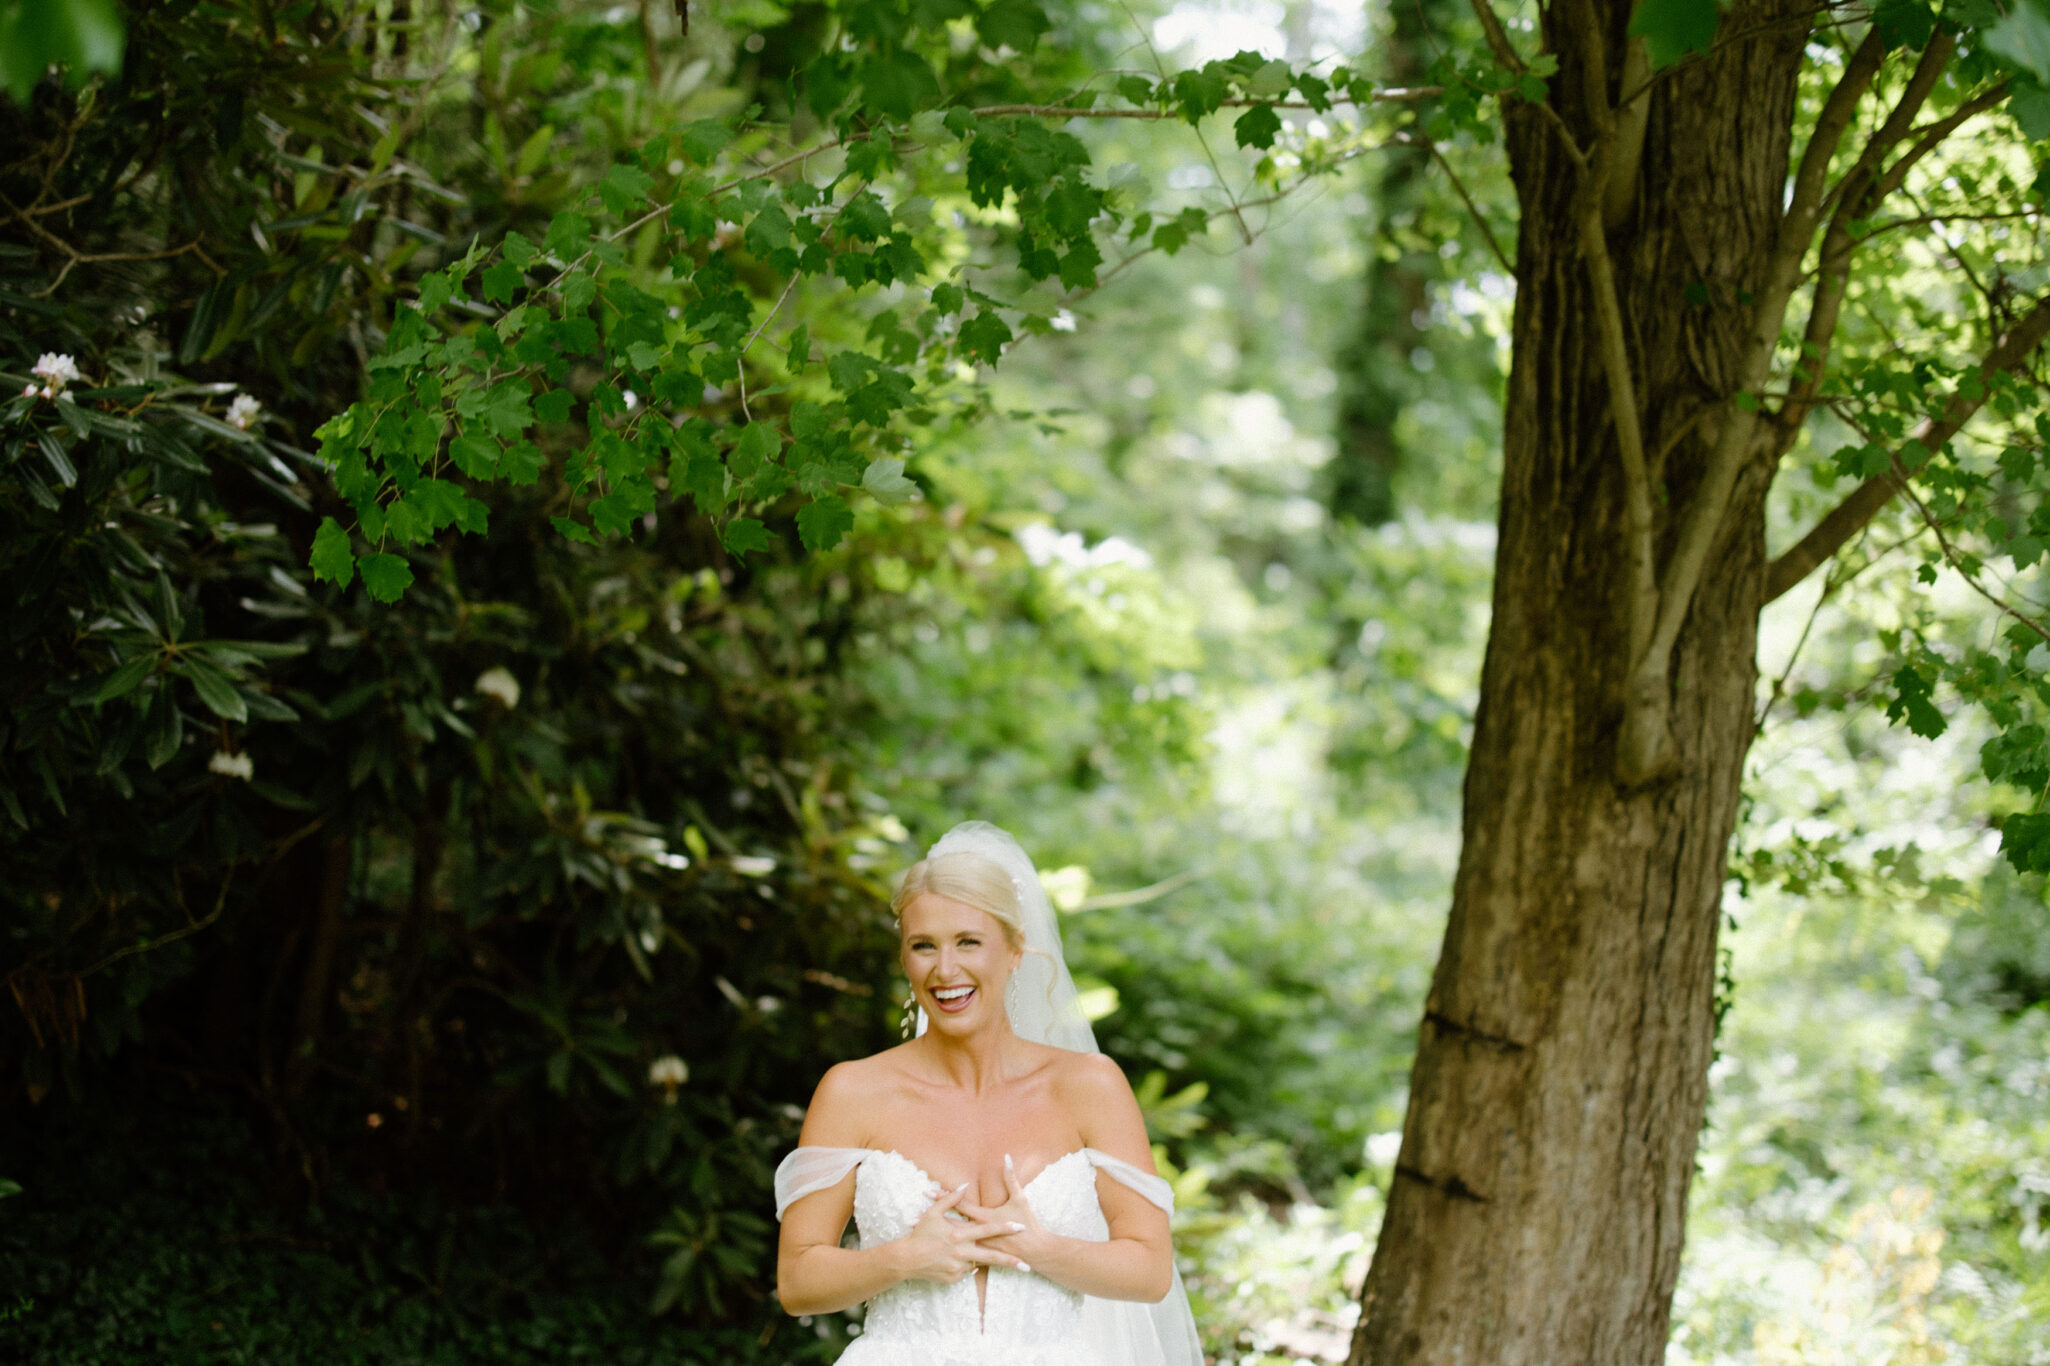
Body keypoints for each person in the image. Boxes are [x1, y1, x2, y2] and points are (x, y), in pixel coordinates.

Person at [773, 822, 1203, 1366]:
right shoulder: (853, 1091)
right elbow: (797, 1281)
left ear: (1015, 949)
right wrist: (906, 1258)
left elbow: (1149, 1271)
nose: (946, 970)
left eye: (968, 942)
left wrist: (1039, 1249)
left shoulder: (1089, 1086)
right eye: (923, 946)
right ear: (905, 958)